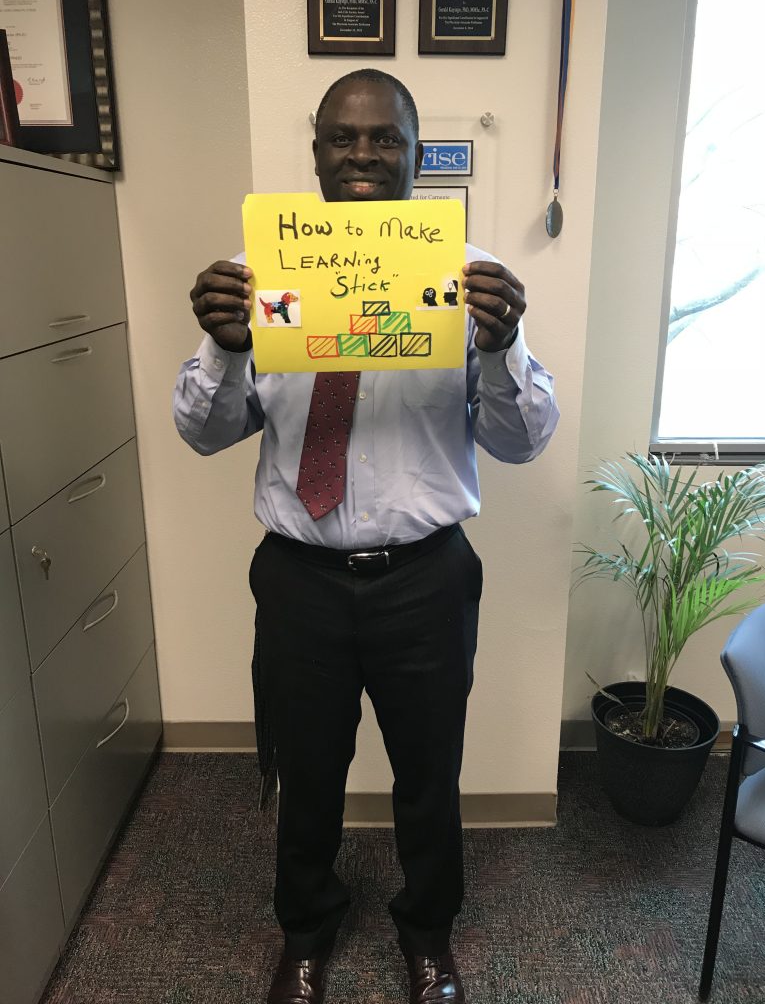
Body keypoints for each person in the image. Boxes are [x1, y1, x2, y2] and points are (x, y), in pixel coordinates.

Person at [174, 69, 559, 1004]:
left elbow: (521, 441)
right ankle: (305, 933)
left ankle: (428, 937)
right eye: (344, 138)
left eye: (385, 139)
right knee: (308, 773)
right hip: (300, 577)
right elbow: (203, 430)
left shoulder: (470, 282)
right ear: (316, 153)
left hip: (426, 577)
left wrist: (504, 347)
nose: (362, 155)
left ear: (417, 157)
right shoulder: (261, 280)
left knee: (431, 774)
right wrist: (225, 349)